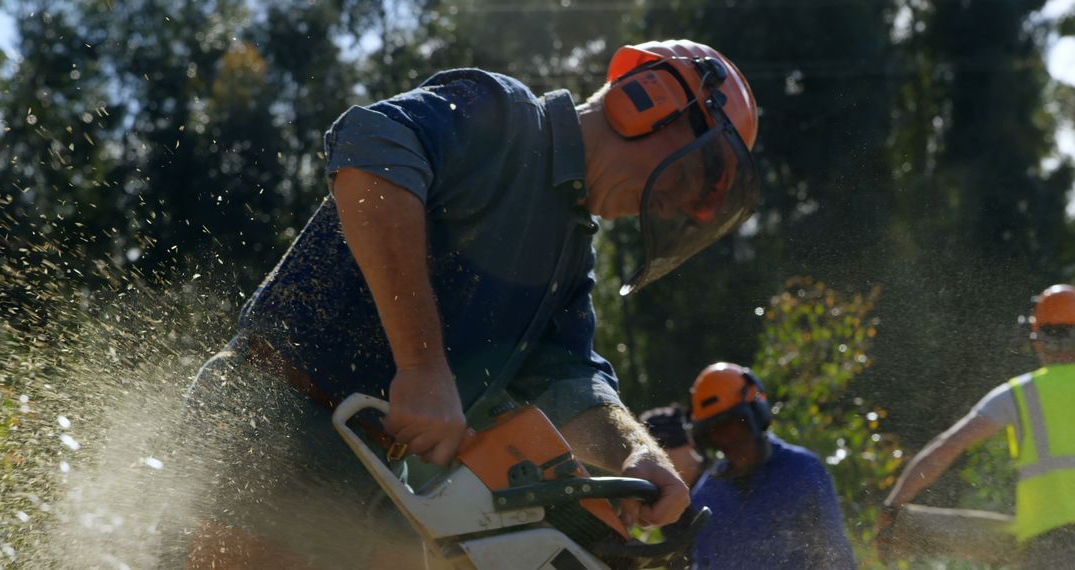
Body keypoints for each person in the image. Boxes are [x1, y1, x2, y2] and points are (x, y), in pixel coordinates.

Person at [182, 39, 762, 568]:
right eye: (690, 176)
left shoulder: (570, 252)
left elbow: (568, 380)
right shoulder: (503, 115)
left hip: (388, 478)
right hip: (280, 420)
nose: (670, 206)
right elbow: (369, 148)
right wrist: (422, 365)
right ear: (649, 101)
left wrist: (638, 456)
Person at [880, 284, 1075, 567]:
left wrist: (893, 506)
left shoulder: (1021, 394)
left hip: (1050, 547)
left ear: (1037, 339)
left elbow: (946, 446)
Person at [685, 362, 856, 569]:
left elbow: (836, 554)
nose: (724, 437)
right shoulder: (706, 495)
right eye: (714, 429)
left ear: (756, 414)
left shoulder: (802, 470)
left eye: (731, 424)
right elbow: (701, 563)